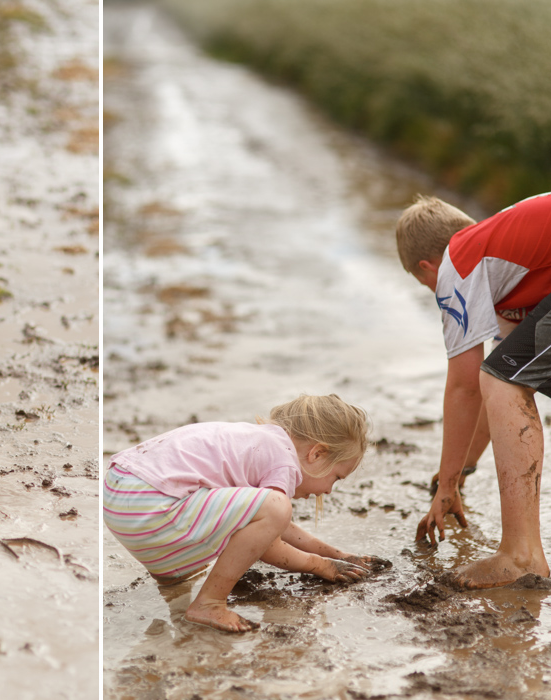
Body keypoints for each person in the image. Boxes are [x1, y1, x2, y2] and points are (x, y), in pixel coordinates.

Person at [103, 394, 379, 633]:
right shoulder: (283, 461)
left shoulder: (259, 441)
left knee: (272, 510)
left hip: (121, 495)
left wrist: (336, 555)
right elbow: (269, 541)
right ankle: (209, 603)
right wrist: (321, 566)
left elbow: (275, 526)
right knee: (277, 506)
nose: (330, 490)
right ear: (317, 454)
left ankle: (171, 574)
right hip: (148, 504)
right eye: (336, 477)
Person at [396, 193, 551, 588]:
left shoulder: (458, 262)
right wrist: (460, 471)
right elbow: (503, 391)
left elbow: (467, 387)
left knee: (501, 378)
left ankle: (521, 555)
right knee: (505, 376)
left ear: (426, 267)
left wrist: (445, 485)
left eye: (425, 283)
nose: (435, 291)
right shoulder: (509, 266)